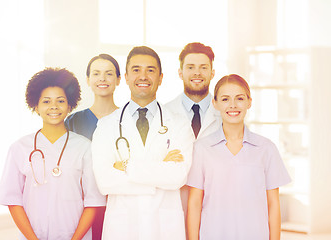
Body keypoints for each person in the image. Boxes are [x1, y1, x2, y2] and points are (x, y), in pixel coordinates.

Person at [91, 46, 193, 240]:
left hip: (165, 229)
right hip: (122, 229)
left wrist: (127, 166)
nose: (143, 76)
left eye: (150, 70)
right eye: (136, 70)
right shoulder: (106, 125)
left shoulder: (179, 123)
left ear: (161, 78)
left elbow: (177, 177)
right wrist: (160, 170)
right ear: (127, 77)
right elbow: (105, 182)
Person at [0, 68, 106, 240]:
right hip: (33, 236)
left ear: (70, 105)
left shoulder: (84, 148)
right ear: (36, 106)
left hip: (75, 235)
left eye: (60, 101)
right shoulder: (19, 148)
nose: (54, 106)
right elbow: (13, 200)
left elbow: (93, 201)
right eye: (46, 101)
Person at [186, 74, 291, 240]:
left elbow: (273, 205)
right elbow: (194, 203)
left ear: (249, 102)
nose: (233, 105)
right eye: (226, 99)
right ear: (215, 103)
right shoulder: (202, 149)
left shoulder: (266, 148)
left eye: (240, 98)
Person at [65, 54, 121, 240]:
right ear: (88, 80)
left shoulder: (128, 120)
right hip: (82, 207)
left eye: (109, 74)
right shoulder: (73, 121)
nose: (103, 79)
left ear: (119, 80)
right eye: (96, 74)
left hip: (119, 203)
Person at [164, 42, 222, 222]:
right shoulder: (163, 114)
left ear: (212, 73)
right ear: (180, 72)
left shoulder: (226, 114)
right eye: (190, 67)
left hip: (216, 202)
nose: (197, 73)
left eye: (203, 67)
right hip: (173, 204)